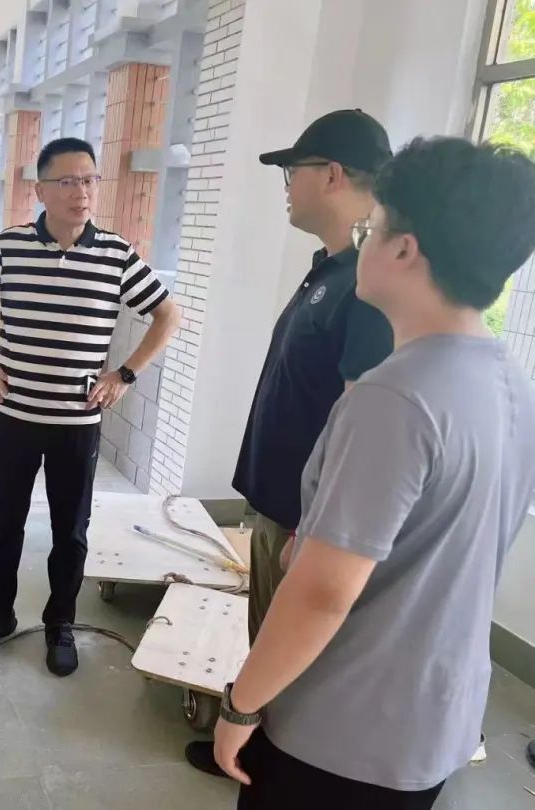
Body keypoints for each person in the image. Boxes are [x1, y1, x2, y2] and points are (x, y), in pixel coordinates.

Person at [213, 136, 535, 809]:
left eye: (372, 228)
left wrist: (242, 703)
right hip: (435, 721)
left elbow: (324, 592)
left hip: (343, 729)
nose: (362, 243)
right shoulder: (511, 382)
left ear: (404, 249)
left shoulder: (395, 396)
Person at [187, 109, 395, 776]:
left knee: (295, 657)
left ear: (331, 175)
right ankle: (253, 748)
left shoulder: (368, 286)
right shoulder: (331, 270)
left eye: (291, 171)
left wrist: (315, 525)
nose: (286, 185)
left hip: (306, 524)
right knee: (267, 641)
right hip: (280, 509)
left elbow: (361, 423)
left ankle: (270, 765)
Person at [0, 137, 181, 676]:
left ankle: (60, 624)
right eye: (68, 181)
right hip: (13, 417)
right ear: (41, 190)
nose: (82, 192)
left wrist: (125, 373)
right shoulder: (10, 247)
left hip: (77, 423)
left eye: (90, 180)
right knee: (7, 520)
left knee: (71, 530)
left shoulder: (116, 254)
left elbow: (169, 314)